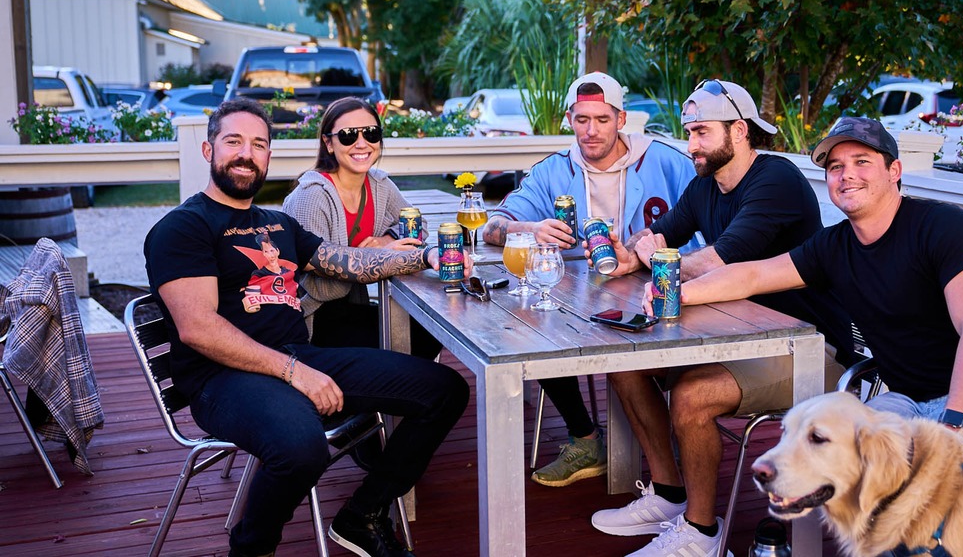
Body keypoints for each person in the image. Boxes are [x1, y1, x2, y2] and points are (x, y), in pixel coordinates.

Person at [144, 98, 470, 557]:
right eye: (233, 141)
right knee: (302, 447)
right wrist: (295, 373)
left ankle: (363, 515)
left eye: (259, 144)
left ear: (269, 156)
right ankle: (251, 548)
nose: (246, 153)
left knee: (444, 389)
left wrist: (426, 257)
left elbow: (349, 262)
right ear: (208, 150)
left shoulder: (278, 224)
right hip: (223, 378)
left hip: (299, 354)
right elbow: (199, 329)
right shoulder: (184, 227)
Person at [590, 80, 855, 557]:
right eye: (689, 132)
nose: (691, 144)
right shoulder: (704, 186)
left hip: (809, 347)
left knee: (692, 396)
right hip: (732, 335)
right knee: (624, 362)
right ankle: (670, 498)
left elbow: (720, 262)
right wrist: (631, 254)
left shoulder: (777, 181)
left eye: (702, 133)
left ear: (740, 130)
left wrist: (657, 256)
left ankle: (702, 533)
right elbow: (656, 236)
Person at [671, 116, 963, 436]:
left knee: (957, 477)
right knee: (833, 461)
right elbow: (750, 276)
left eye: (862, 161)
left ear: (894, 171)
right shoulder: (834, 246)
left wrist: (953, 423)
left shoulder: (943, 226)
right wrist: (676, 292)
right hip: (906, 402)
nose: (847, 175)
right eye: (835, 167)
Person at [479, 71, 697, 488]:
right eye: (582, 120)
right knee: (532, 324)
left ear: (621, 119)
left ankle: (674, 446)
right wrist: (530, 228)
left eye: (601, 119)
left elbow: (710, 222)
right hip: (577, 291)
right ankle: (585, 437)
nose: (591, 131)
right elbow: (493, 227)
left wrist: (649, 255)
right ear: (569, 119)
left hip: (656, 285)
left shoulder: (667, 161)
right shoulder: (552, 171)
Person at [281, 97, 441, 359]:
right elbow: (323, 285)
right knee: (416, 341)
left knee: (428, 330)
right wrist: (382, 256)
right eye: (347, 136)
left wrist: (385, 240)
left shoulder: (379, 185)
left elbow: (417, 225)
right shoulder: (311, 196)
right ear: (328, 143)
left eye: (371, 133)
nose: (361, 143)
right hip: (311, 321)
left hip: (351, 306)